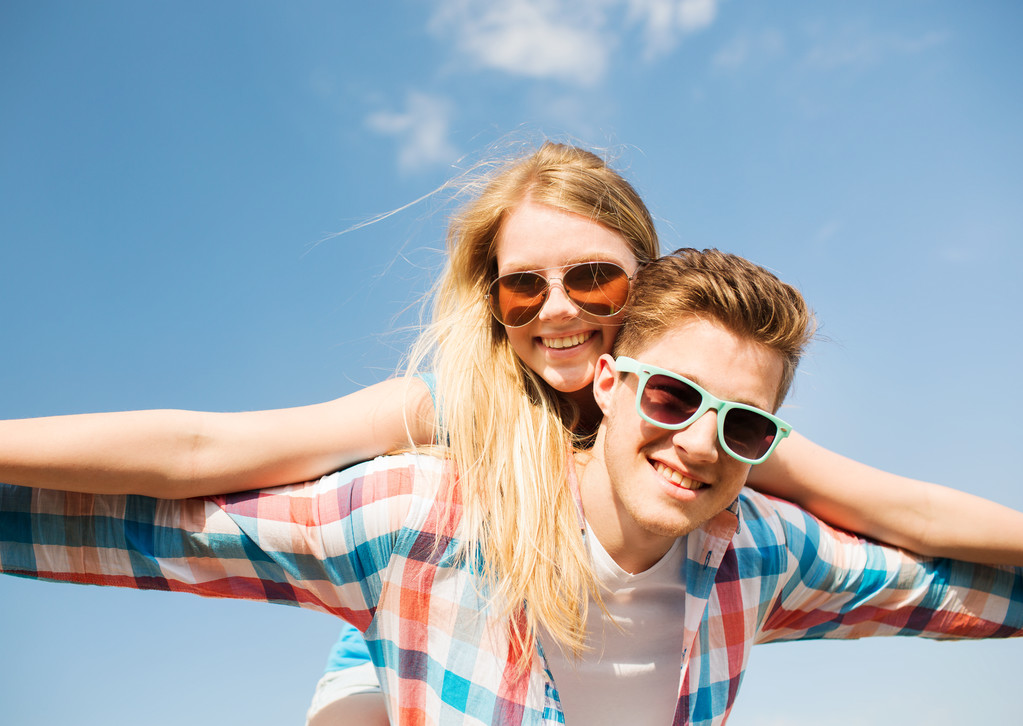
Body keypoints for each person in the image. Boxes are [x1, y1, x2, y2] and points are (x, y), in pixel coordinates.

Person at [2, 144, 1022, 725]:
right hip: (404, 646)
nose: (558, 311)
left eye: (592, 279)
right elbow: (203, 458)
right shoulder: (458, 417)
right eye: (523, 285)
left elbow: (906, 517)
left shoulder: (711, 428)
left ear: (646, 284)